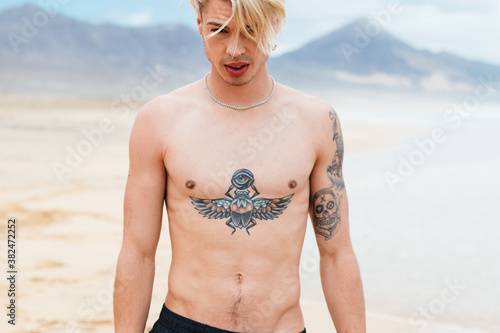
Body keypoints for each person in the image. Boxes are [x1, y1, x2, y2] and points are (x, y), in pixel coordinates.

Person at [113, 0, 366, 332]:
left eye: (251, 30)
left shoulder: (317, 121)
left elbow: (336, 255)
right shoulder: (160, 120)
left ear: (274, 23)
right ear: (199, 20)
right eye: (219, 30)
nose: (234, 49)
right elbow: (138, 253)